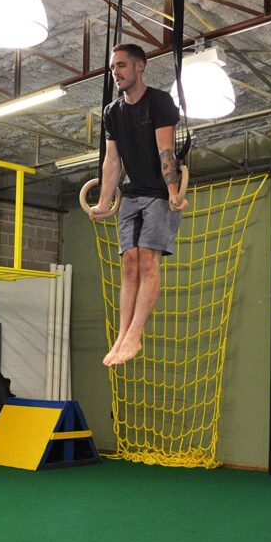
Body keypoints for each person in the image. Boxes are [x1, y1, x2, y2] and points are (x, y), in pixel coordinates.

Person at [88, 43, 188, 366]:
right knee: (129, 264)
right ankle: (122, 335)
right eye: (112, 68)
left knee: (147, 261)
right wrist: (103, 202)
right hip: (131, 195)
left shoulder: (159, 102)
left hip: (158, 193)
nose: (115, 73)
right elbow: (112, 161)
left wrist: (173, 191)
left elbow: (165, 151)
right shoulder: (112, 112)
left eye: (121, 66)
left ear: (139, 66)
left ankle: (135, 333)